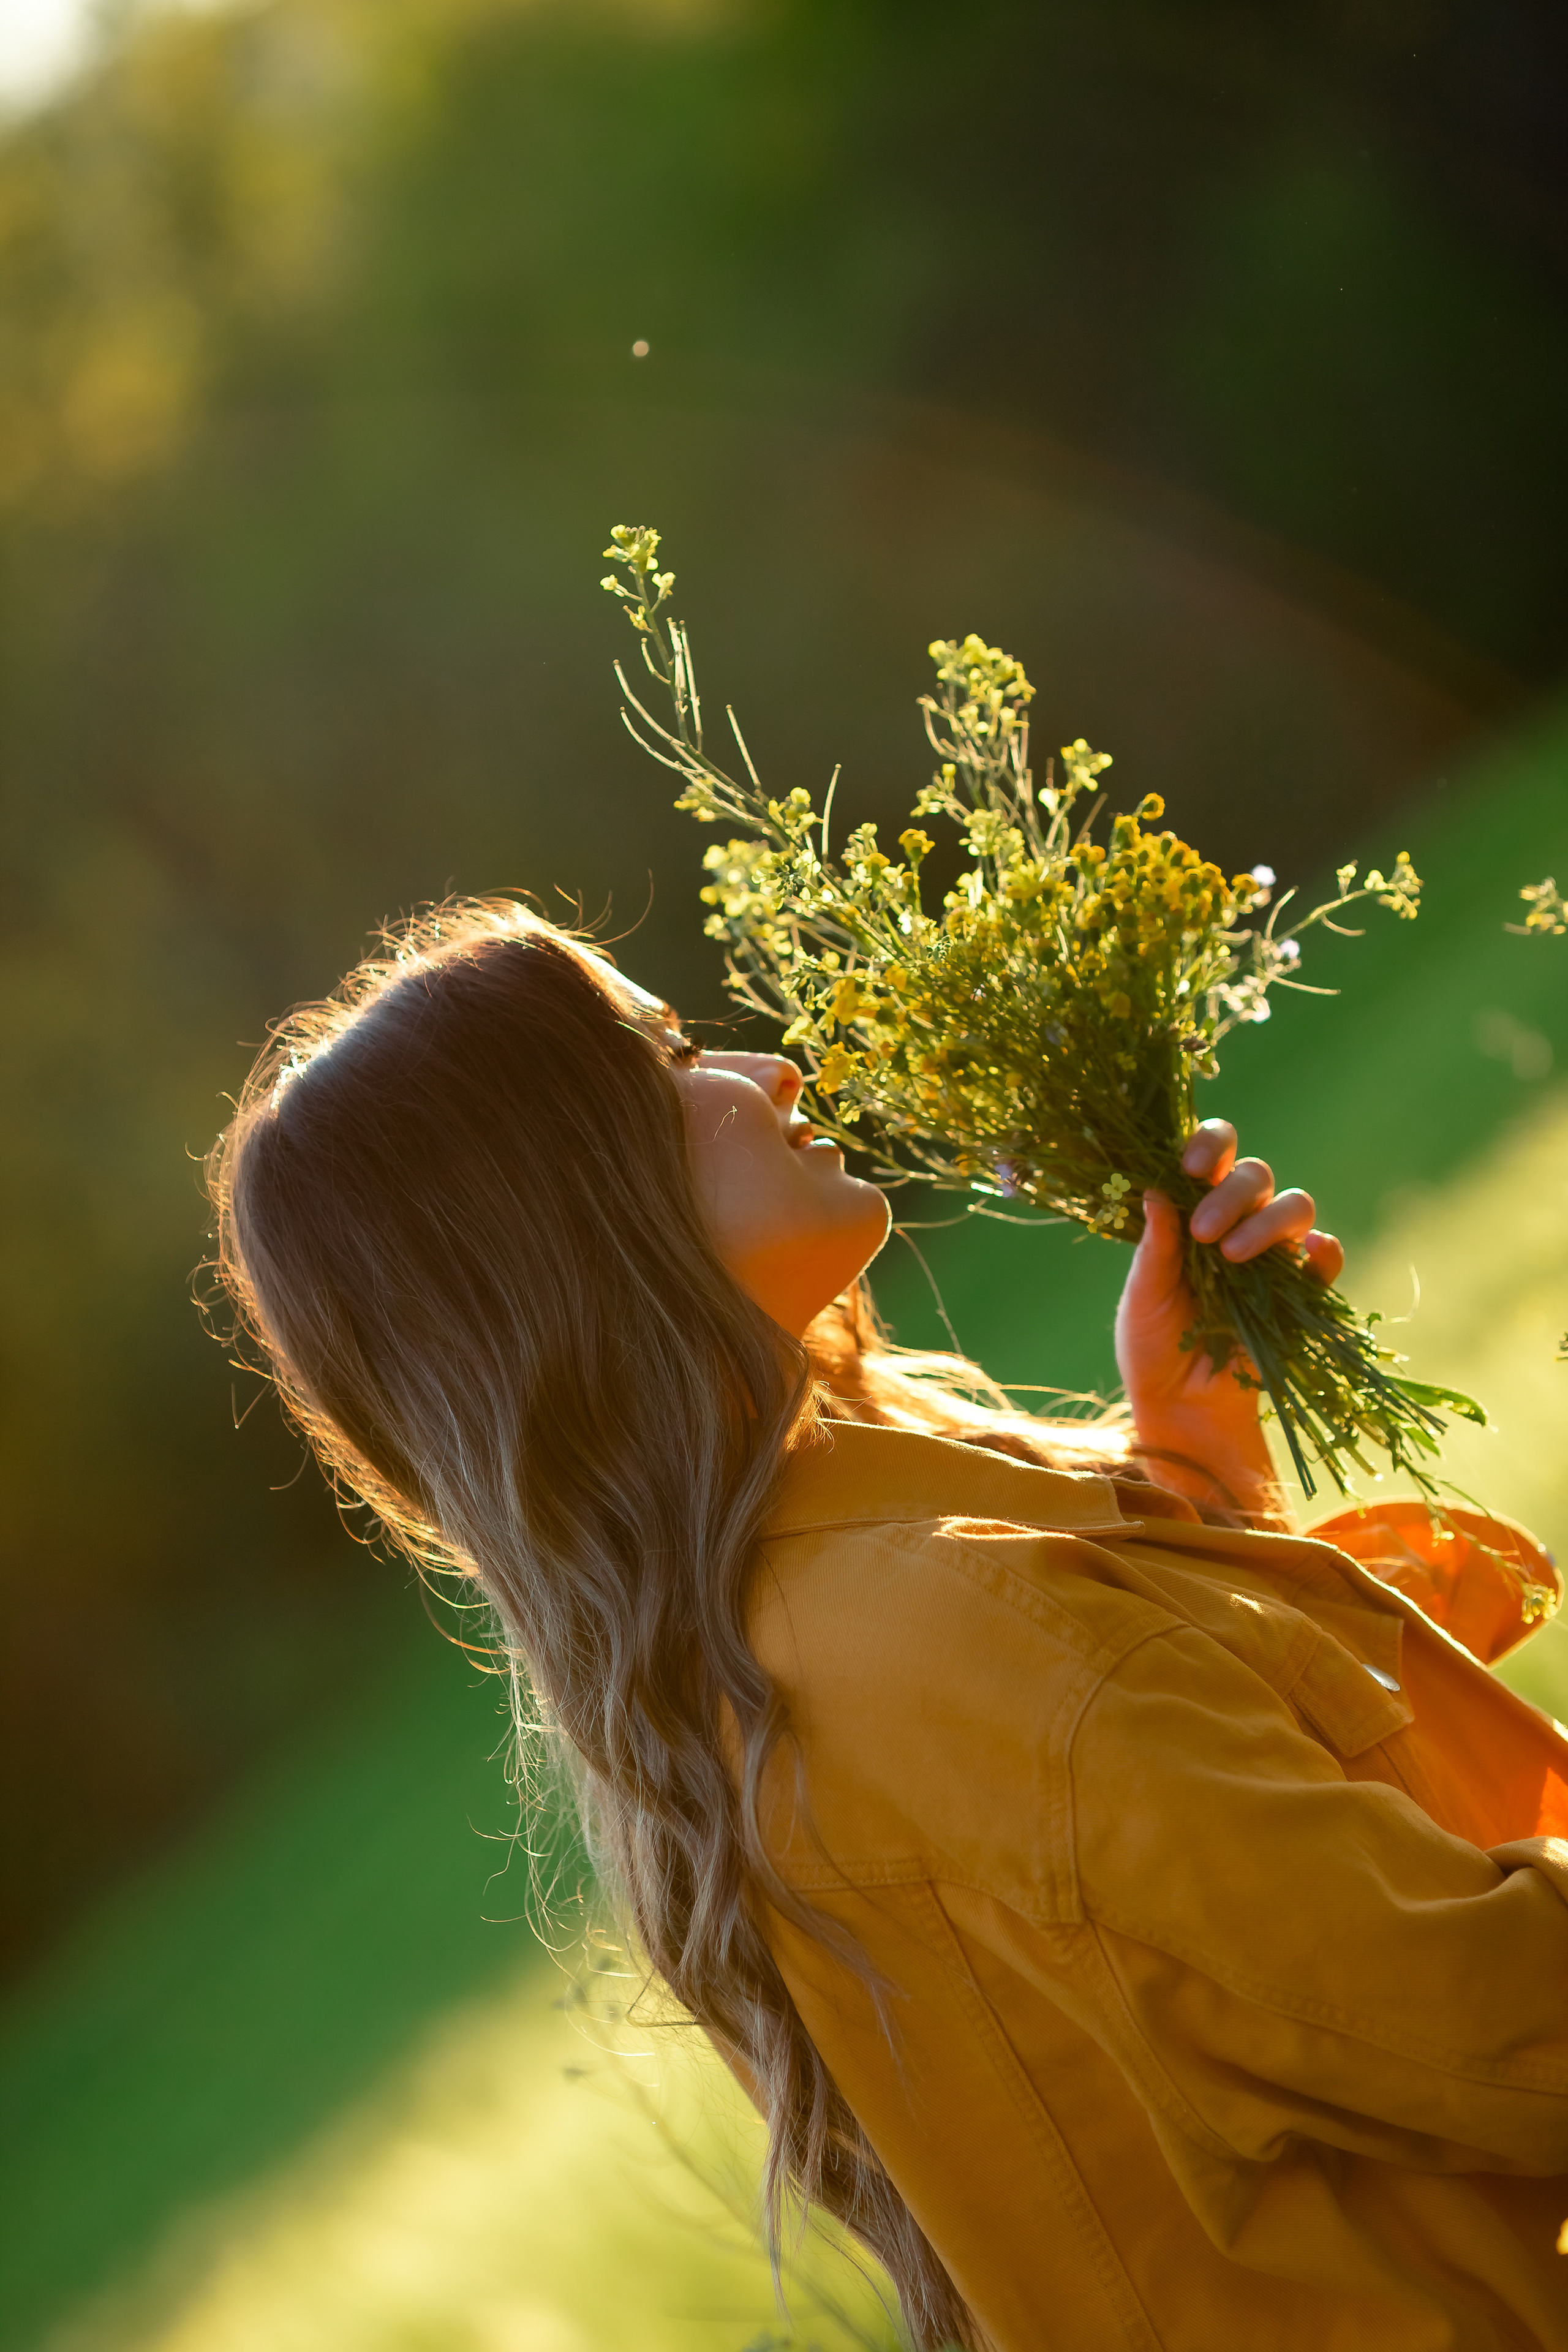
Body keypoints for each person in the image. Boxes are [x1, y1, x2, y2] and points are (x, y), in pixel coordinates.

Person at [208, 897, 1568, 2352]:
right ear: (559, 1216)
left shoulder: (772, 1643)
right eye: (661, 1058)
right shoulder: (953, 1629)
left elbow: (1154, 1992)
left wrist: (1195, 1472)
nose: (766, 1071)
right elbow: (1500, 2030)